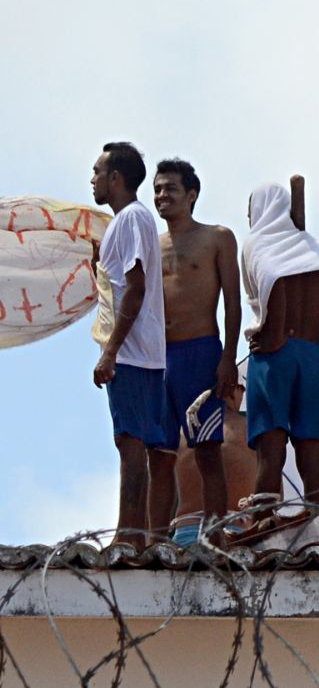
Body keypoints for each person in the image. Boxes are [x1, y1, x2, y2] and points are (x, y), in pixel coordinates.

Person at [240, 182, 319, 513]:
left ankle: (265, 514)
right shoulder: (317, 251)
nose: (248, 216)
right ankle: (318, 516)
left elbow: (272, 278)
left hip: (274, 354)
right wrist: (310, 306)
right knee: (311, 446)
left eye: (250, 209)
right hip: (311, 357)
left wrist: (277, 329)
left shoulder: (258, 243)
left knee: (272, 443)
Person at [149, 158, 240, 536]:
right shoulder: (152, 244)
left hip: (201, 352)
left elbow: (232, 303)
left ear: (191, 195)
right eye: (156, 189)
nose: (162, 196)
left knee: (206, 448)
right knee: (159, 455)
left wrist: (228, 359)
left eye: (169, 188)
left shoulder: (217, 237)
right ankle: (154, 541)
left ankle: (215, 530)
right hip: (159, 357)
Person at [89, 142, 169, 546]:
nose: (93, 179)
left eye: (98, 171)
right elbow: (121, 283)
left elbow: (134, 288)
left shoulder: (132, 218)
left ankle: (129, 536)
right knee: (136, 441)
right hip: (139, 351)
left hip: (133, 353)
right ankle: (135, 533)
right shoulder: (128, 222)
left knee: (131, 441)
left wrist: (111, 350)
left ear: (115, 178)